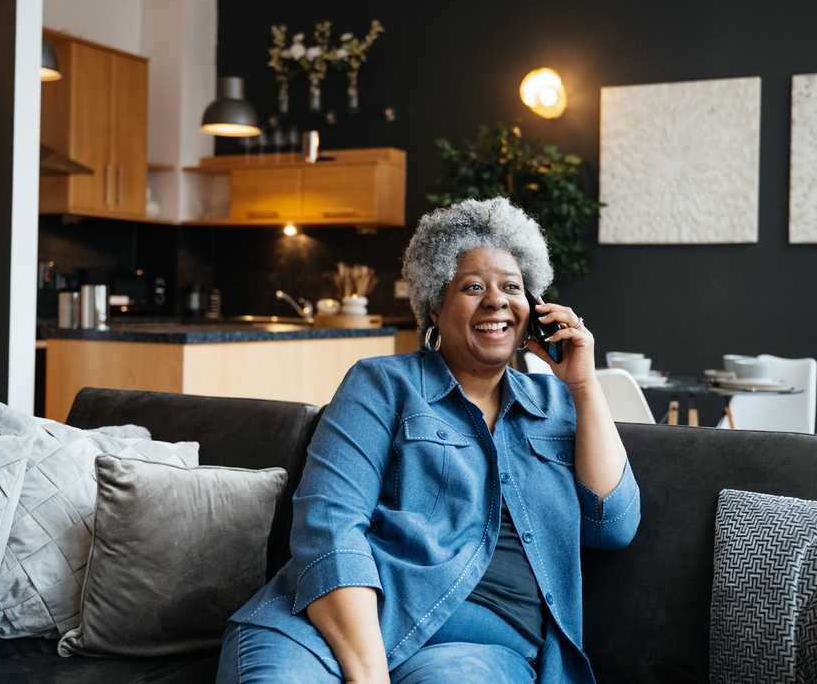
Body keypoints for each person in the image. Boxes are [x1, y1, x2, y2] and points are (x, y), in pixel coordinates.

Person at [217, 197, 640, 684]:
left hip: (477, 650)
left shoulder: (558, 403)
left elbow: (614, 524)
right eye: (473, 287)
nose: (496, 300)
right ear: (435, 307)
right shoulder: (382, 384)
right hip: (333, 627)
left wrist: (584, 386)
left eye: (512, 287)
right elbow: (330, 525)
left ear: (533, 310)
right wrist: (369, 674)